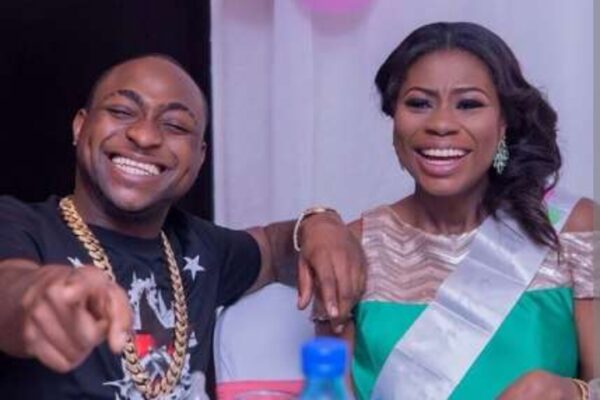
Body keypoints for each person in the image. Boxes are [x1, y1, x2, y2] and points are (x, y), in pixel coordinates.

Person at [0, 54, 365, 399]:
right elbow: (11, 288)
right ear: (80, 126)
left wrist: (321, 223)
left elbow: (273, 245)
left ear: (199, 157)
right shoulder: (18, 224)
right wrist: (39, 298)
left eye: (175, 125)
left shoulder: (200, 247)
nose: (145, 136)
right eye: (122, 111)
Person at [320, 22, 596, 399]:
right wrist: (316, 221)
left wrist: (574, 393)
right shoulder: (352, 247)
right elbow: (326, 391)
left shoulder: (571, 228)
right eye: (419, 103)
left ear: (504, 123)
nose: (441, 124)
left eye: (469, 104)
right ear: (394, 120)